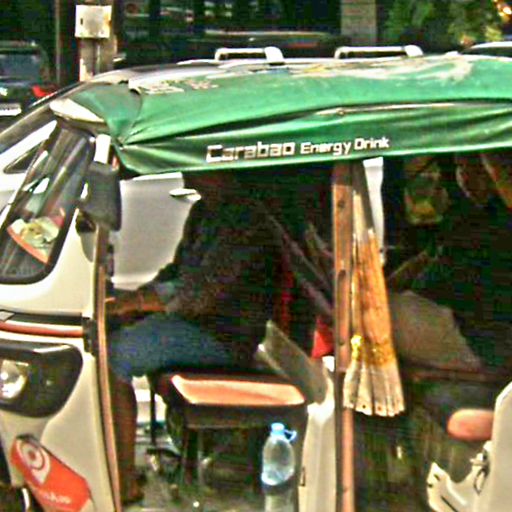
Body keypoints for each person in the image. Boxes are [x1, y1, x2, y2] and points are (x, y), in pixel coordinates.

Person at [107, 170, 279, 503]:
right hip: (198, 324)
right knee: (114, 332)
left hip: (224, 337)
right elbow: (176, 272)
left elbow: (199, 295)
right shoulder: (204, 212)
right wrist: (134, 300)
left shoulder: (246, 221)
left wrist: (137, 302)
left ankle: (124, 481)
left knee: (118, 354)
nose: (187, 174)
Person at [389, 152, 512, 372]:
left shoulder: (494, 223)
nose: (464, 177)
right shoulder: (467, 215)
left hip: (481, 344)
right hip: (467, 330)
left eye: (474, 169)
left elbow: (434, 281)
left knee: (374, 311)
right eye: (460, 168)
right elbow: (427, 259)